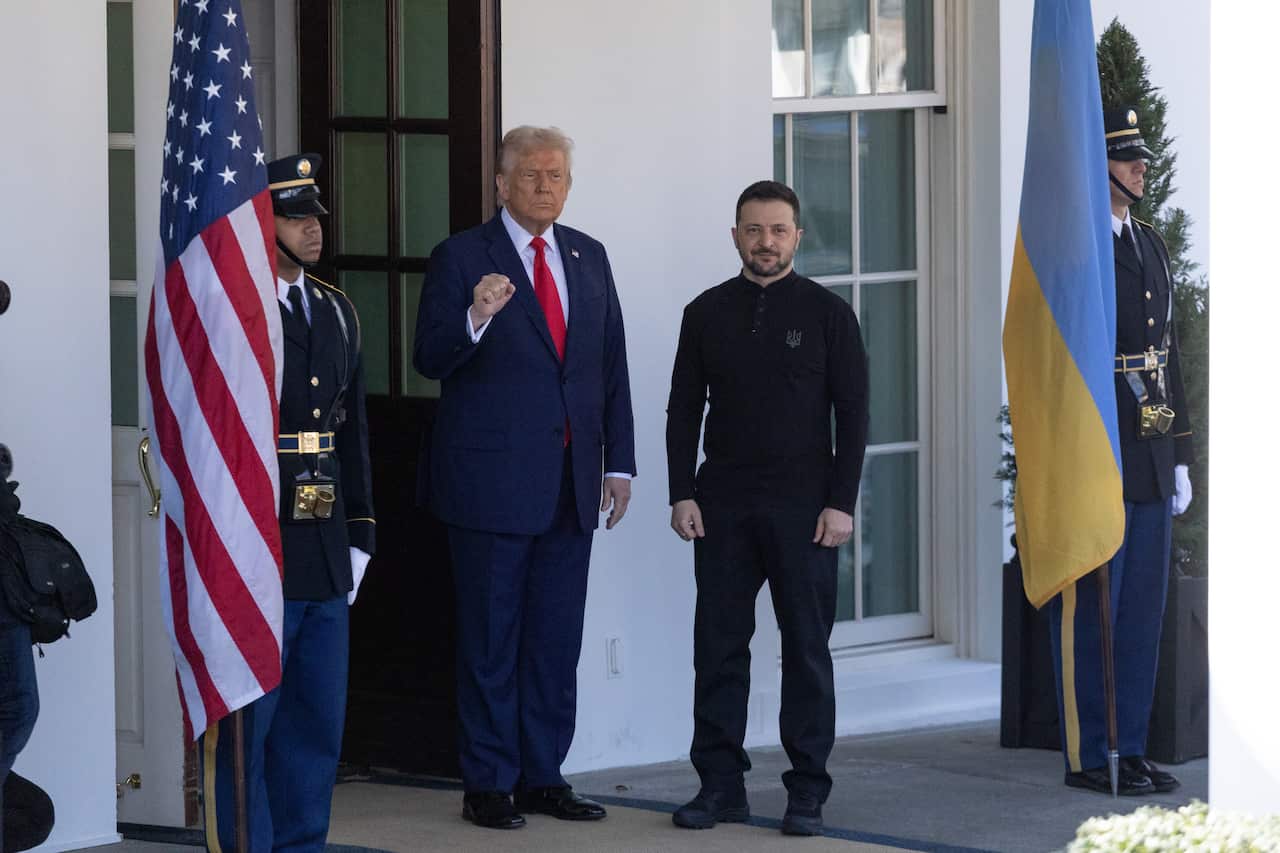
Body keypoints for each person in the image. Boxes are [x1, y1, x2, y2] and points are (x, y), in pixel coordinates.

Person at [414, 126, 635, 830]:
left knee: (554, 642)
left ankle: (543, 775)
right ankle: (488, 781)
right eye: (532, 175)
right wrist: (475, 314)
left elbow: (609, 366)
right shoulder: (460, 257)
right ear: (501, 184)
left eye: (556, 175)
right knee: (490, 643)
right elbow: (429, 356)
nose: (545, 186)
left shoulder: (588, 255)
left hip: (571, 484)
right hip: (490, 488)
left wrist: (619, 463)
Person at [665, 180, 868, 836]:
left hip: (806, 509)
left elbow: (854, 416)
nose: (765, 242)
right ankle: (719, 786)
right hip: (721, 504)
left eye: (778, 230)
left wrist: (841, 503)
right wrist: (681, 490)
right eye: (753, 230)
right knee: (718, 649)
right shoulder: (704, 312)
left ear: (797, 237)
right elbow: (683, 409)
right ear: (735, 236)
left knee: (806, 650)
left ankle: (807, 791)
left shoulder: (829, 314)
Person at [200, 153, 375, 851]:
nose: (312, 229)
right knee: (252, 725)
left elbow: (352, 430)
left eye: (315, 217)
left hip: (323, 542)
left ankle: (304, 844)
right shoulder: (235, 308)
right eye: (295, 217)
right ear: (260, 224)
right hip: (256, 542)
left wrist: (360, 534)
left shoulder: (336, 309)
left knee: (314, 721)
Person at [1046, 107, 1194, 796]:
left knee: (1140, 611)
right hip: (1098, 447)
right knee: (1094, 614)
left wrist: (1182, 455)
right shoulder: (1079, 250)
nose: (1140, 168)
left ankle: (1129, 747)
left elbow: (1168, 357)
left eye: (1142, 159)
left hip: (1151, 451)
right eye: (1127, 159)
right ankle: (1090, 753)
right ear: (1097, 167)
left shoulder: (1150, 243)